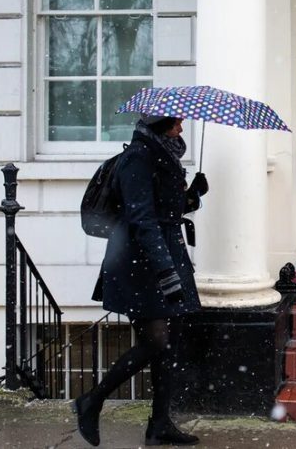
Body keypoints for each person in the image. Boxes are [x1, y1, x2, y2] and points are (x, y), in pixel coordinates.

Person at [74, 114, 209, 447]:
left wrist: (193, 194)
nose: (181, 128)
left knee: (170, 342)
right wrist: (165, 270)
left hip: (165, 254)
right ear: (160, 125)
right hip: (140, 261)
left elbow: (166, 210)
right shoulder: (138, 157)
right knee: (156, 341)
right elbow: (142, 219)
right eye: (176, 123)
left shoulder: (164, 156)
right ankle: (92, 400)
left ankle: (159, 424)